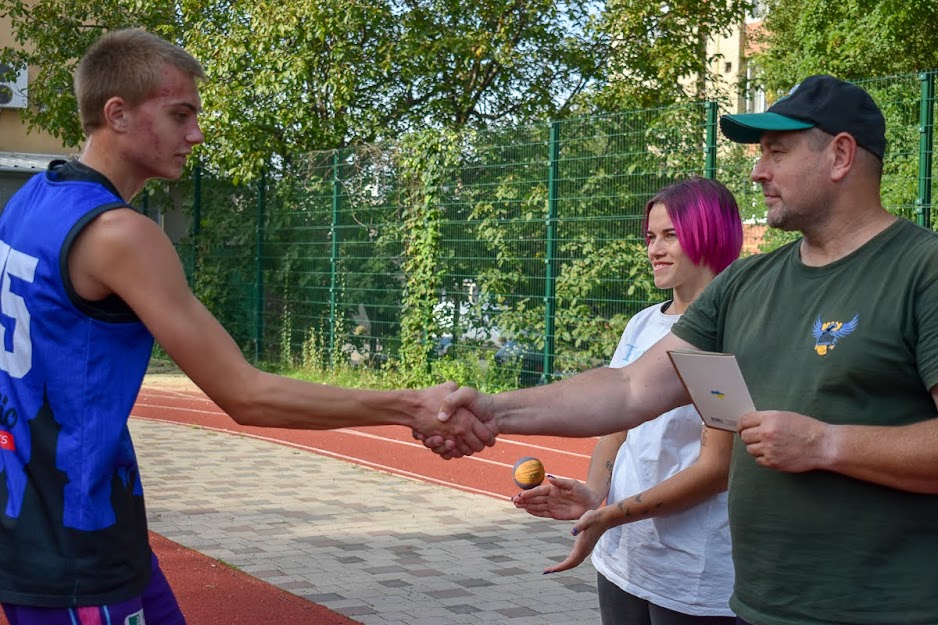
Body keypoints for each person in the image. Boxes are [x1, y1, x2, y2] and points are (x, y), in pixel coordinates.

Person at [0, 28, 493, 625]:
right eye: (180, 114)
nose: (196, 134)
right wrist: (410, 405)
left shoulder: (31, 198)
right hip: (72, 540)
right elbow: (245, 394)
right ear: (118, 114)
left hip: (48, 514)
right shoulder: (121, 235)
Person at [429, 74, 938, 625]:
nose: (757, 170)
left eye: (777, 152)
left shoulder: (921, 271)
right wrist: (495, 411)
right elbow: (629, 389)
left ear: (840, 155)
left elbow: (724, 460)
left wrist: (827, 444)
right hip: (757, 606)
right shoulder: (747, 283)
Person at [513, 177, 740, 624]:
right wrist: (592, 493)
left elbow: (717, 470)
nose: (654, 249)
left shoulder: (727, 330)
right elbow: (617, 430)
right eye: (650, 237)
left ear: (710, 232)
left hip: (693, 575)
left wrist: (613, 515)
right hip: (623, 559)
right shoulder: (641, 324)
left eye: (670, 235)